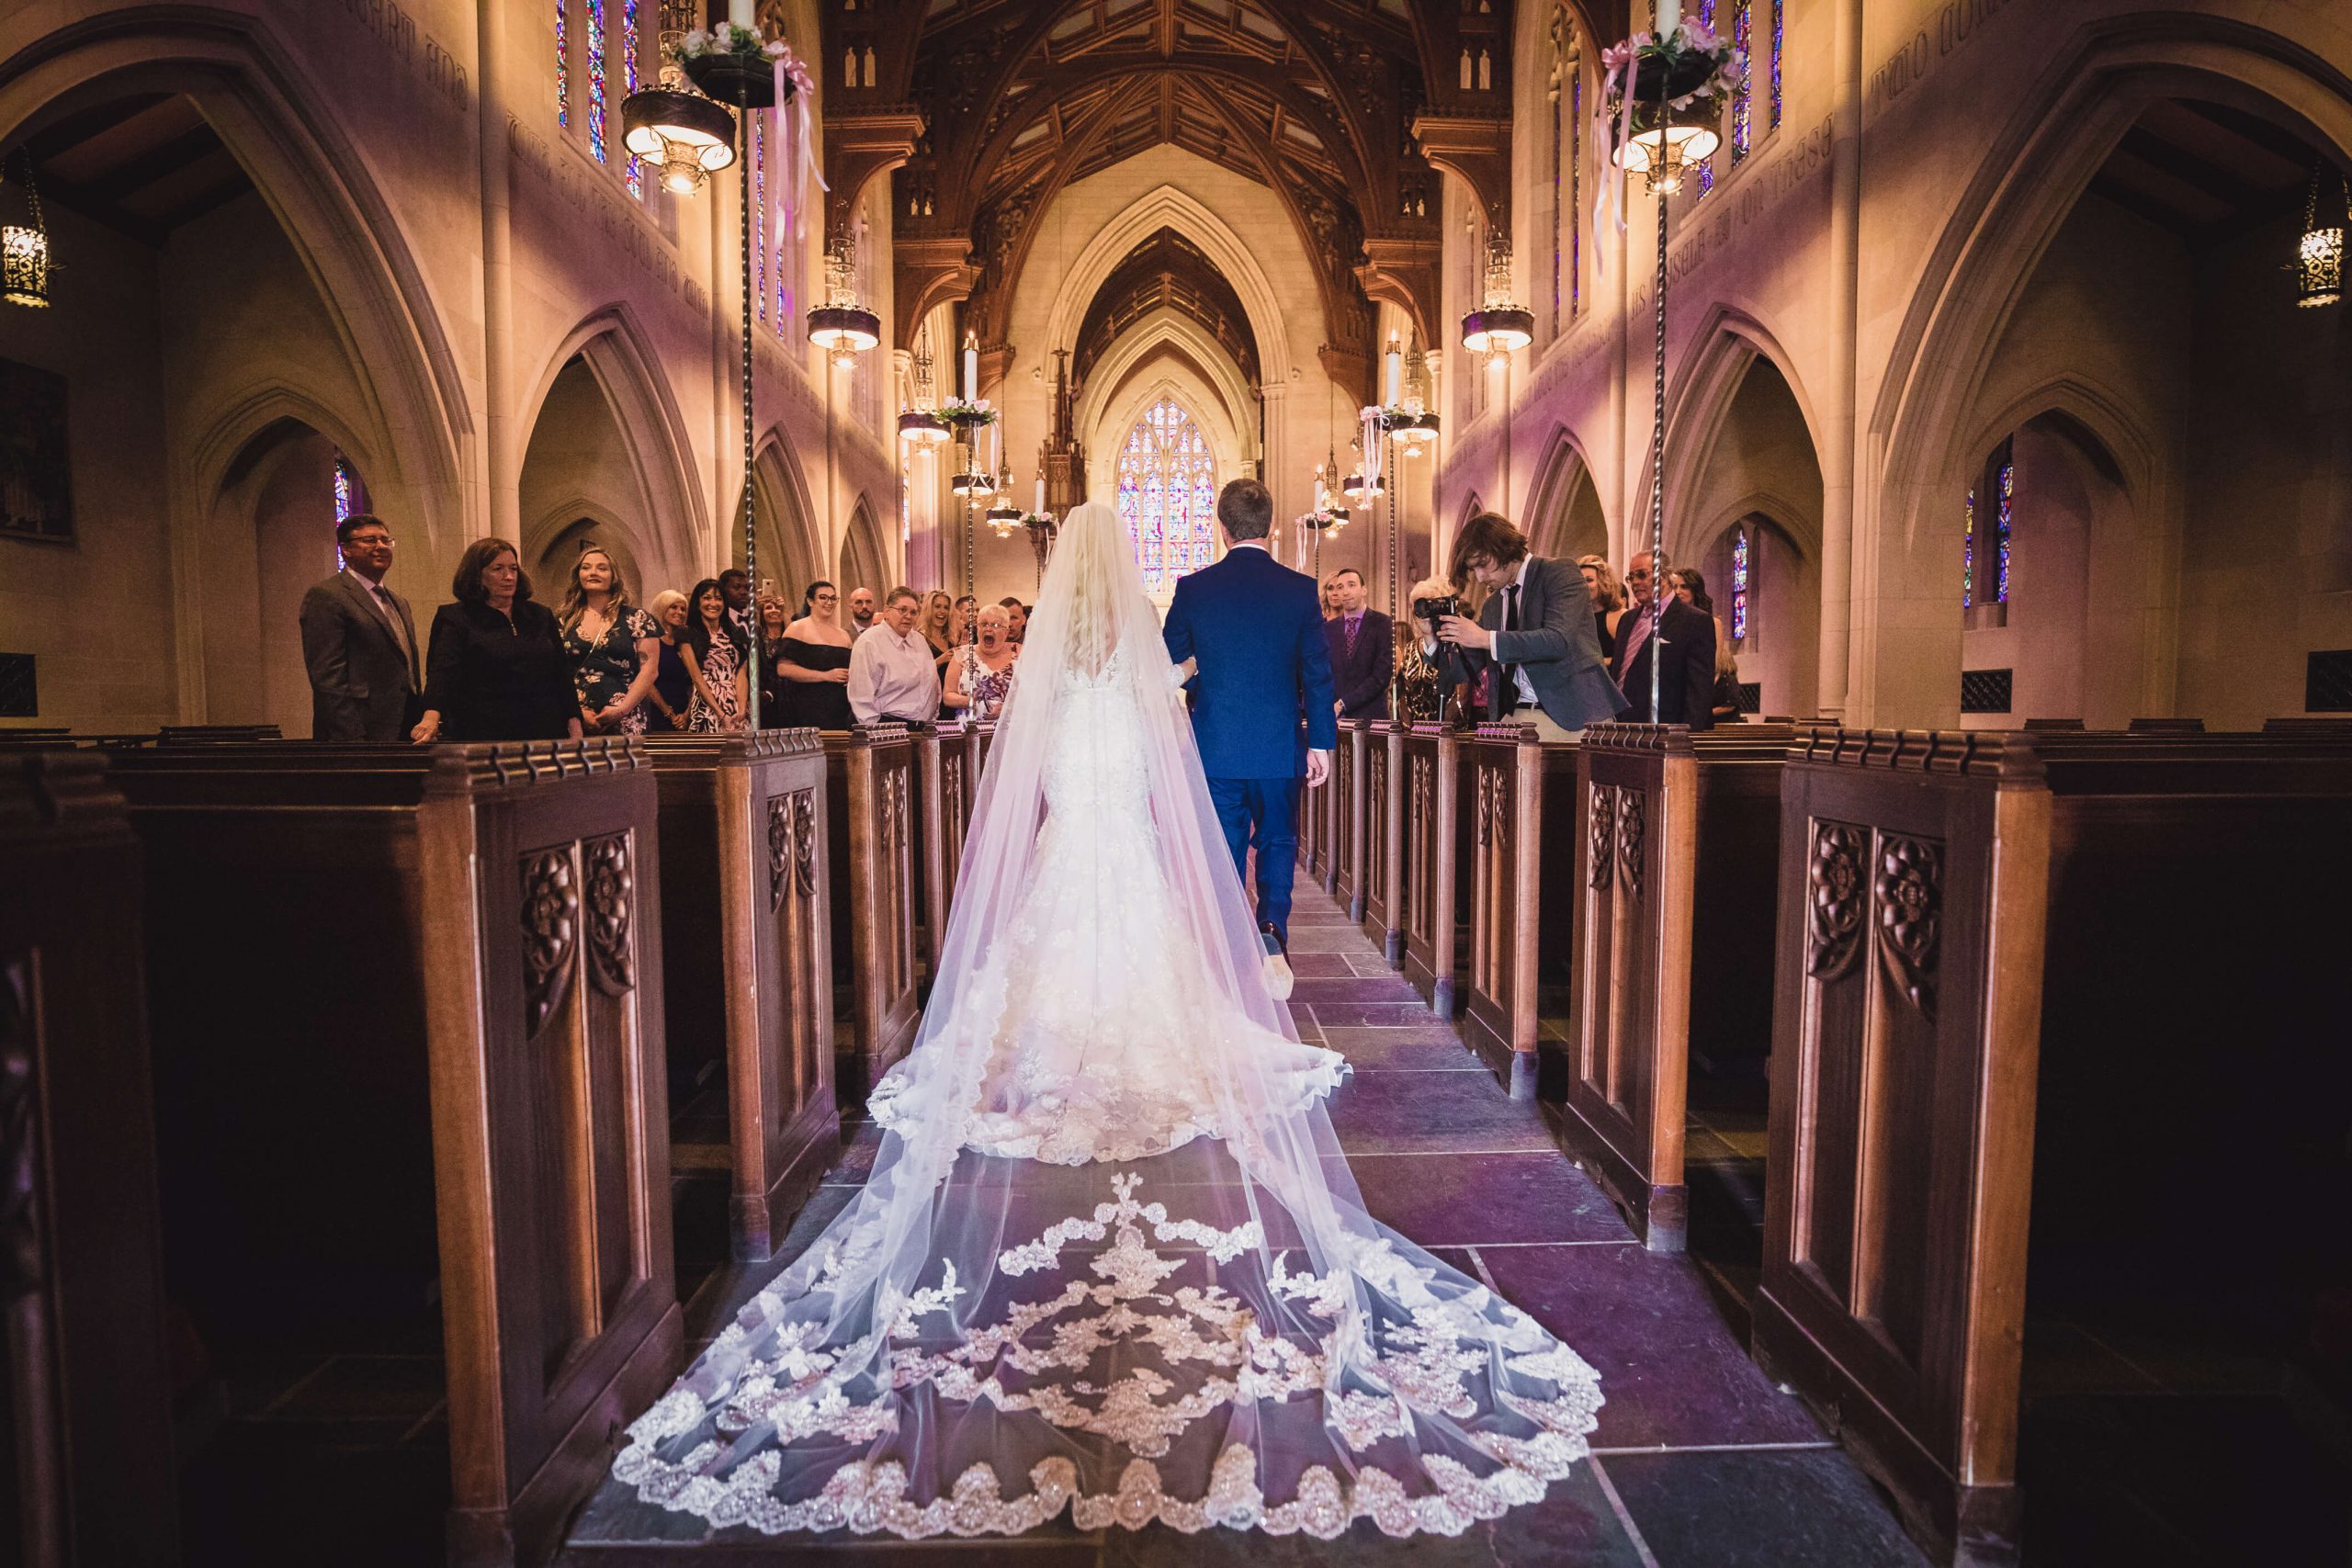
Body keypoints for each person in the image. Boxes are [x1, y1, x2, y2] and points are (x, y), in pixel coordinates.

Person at [609, 500, 1602, 1545]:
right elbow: (1165, 718)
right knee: (1145, 891)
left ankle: (1047, 1041)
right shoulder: (1146, 631)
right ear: (1120, 570)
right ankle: (1204, 988)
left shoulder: (1064, 644)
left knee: (1060, 891)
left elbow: (1033, 762)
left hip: (1076, 785)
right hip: (1125, 778)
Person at [1161, 477, 1336, 996]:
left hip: (1216, 745)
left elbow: (1167, 658)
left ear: (1221, 529)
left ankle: (1230, 943)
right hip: (1281, 744)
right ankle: (1272, 929)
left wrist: (1204, 675)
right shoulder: (1300, 589)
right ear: (1273, 528)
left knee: (1226, 845)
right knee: (1279, 838)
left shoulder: (1194, 589)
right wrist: (1322, 742)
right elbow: (1318, 674)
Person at [1424, 512, 1623, 742]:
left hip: (1570, 715)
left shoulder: (1559, 572)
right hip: (1514, 717)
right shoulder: (1493, 605)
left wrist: (1486, 639)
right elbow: (1461, 671)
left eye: (1483, 564)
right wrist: (1431, 638)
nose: (1479, 577)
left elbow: (1557, 641)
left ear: (1505, 547)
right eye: (1473, 569)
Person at [412, 538, 582, 743]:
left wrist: (575, 724)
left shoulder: (540, 615)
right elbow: (442, 671)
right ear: (477, 575)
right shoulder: (456, 617)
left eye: (513, 568)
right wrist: (431, 717)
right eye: (497, 569)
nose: (508, 576)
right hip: (485, 731)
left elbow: (561, 673)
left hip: (545, 728)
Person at [300, 513, 422, 741]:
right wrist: (353, 738)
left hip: (403, 729)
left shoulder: (399, 602)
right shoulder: (327, 595)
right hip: (358, 734)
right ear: (346, 549)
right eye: (370, 540)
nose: (381, 546)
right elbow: (327, 677)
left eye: (386, 540)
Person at [557, 544, 660, 734]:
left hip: (626, 715)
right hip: (578, 717)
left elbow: (649, 670)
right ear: (578, 575)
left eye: (602, 568)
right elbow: (556, 671)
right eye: (586, 567)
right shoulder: (564, 620)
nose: (593, 572)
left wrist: (622, 709)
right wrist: (577, 711)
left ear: (614, 577)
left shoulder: (637, 619)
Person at [1611, 550, 1716, 729]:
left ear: (1665, 576)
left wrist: (1685, 739)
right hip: (1620, 726)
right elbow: (1619, 672)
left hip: (1664, 728)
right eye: (1631, 577)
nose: (1635, 582)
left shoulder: (1694, 620)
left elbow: (1699, 691)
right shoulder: (1627, 620)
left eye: (1642, 575)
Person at [846, 586, 943, 725]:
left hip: (922, 727)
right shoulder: (870, 641)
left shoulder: (919, 640)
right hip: (887, 726)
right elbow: (861, 694)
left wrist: (932, 718)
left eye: (913, 612)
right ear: (887, 610)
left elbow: (932, 682)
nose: (908, 616)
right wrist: (876, 731)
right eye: (902, 610)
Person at [772, 581, 855, 729]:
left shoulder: (844, 635)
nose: (829, 602)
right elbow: (783, 669)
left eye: (833, 598)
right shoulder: (797, 628)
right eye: (823, 598)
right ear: (810, 601)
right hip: (807, 707)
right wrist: (826, 675)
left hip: (840, 707)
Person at [1670, 568, 1744, 725]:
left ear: (1695, 590)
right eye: (1674, 587)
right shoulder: (1670, 622)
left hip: (1695, 693)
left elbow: (1713, 664)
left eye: (1684, 587)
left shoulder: (1712, 623)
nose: (1678, 591)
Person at [1323, 567, 1394, 720]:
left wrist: (1344, 703)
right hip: (1336, 720)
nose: (1345, 592)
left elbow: (1381, 678)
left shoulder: (1383, 624)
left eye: (1351, 585)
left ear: (1364, 590)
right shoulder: (1328, 629)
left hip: (1371, 719)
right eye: (1340, 587)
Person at [681, 577, 749, 733]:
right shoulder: (687, 635)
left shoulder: (736, 633)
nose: (713, 603)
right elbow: (697, 678)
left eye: (718, 599)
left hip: (736, 705)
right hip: (707, 705)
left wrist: (742, 709)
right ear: (698, 603)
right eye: (707, 598)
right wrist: (721, 714)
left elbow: (741, 673)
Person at [941, 602, 1020, 721]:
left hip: (1009, 730)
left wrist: (1008, 708)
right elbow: (948, 696)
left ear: (1006, 632)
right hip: (969, 732)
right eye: (983, 624)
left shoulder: (1020, 652)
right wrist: (971, 701)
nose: (988, 628)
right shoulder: (961, 654)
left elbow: (1034, 694)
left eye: (995, 625)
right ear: (977, 628)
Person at [644, 589, 693, 732]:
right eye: (674, 607)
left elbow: (694, 682)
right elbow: (647, 682)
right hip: (657, 712)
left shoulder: (686, 643)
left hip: (686, 715)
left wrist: (687, 714)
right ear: (662, 608)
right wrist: (670, 714)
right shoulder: (651, 641)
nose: (680, 612)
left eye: (683, 609)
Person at [1577, 554, 1628, 661]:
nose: (1583, 585)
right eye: (1580, 581)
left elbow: (1628, 658)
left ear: (1603, 582)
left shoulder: (1621, 616)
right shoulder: (1574, 618)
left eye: (1589, 580)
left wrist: (1598, 662)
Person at [756, 593, 793, 726]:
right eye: (768, 607)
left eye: (778, 608)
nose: (774, 611)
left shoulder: (789, 634)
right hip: (764, 697)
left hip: (789, 694)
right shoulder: (757, 638)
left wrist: (786, 610)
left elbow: (795, 643)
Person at [919, 590, 956, 685]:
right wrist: (939, 661)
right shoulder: (919, 638)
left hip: (949, 696)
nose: (942, 611)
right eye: (937, 606)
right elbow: (916, 674)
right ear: (928, 609)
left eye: (946, 607)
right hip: (930, 696)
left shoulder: (951, 639)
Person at [719, 569, 758, 652]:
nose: (744, 592)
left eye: (747, 588)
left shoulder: (753, 621)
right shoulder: (718, 621)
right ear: (723, 591)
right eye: (737, 587)